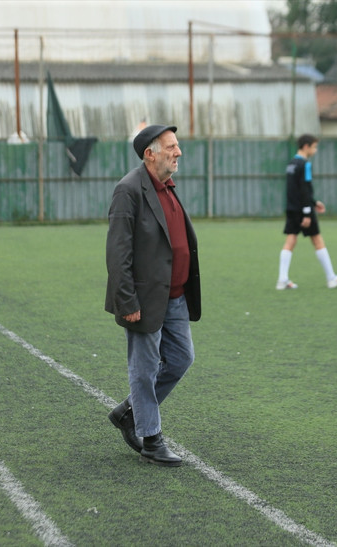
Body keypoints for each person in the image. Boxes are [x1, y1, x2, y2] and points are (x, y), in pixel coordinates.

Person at [105, 124, 201, 467]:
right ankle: (151, 438)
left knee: (180, 359)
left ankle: (129, 411)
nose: (178, 152)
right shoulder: (128, 190)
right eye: (171, 147)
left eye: (177, 146)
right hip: (145, 298)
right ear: (151, 153)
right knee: (144, 370)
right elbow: (119, 253)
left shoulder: (168, 187)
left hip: (175, 296)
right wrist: (127, 301)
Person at [277, 134, 337, 290]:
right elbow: (304, 189)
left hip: (292, 208)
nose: (315, 150)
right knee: (317, 240)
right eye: (315, 147)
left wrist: (314, 203)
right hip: (303, 210)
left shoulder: (291, 164)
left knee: (290, 241)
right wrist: (308, 212)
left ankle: (282, 280)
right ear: (306, 146)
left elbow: (294, 190)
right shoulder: (305, 164)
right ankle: (331, 278)